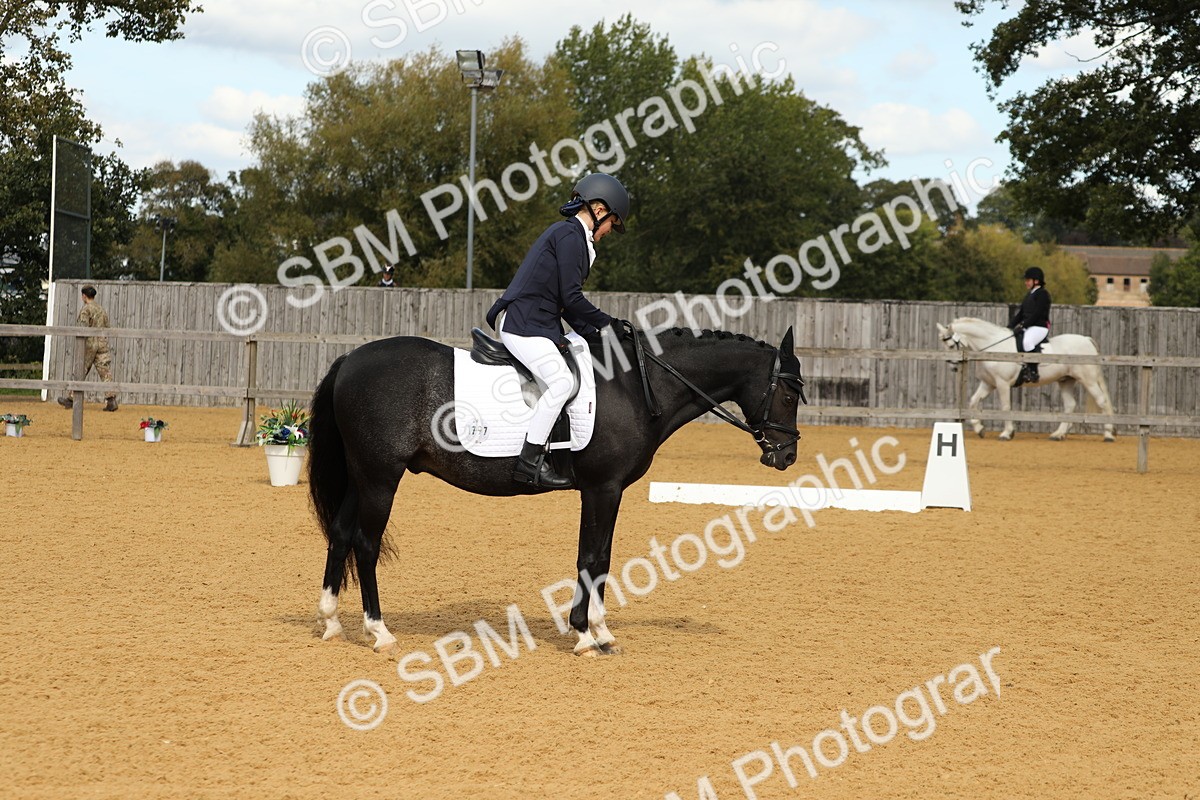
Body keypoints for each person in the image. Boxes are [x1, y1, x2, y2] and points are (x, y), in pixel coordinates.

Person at [485, 173, 629, 489]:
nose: (608, 233)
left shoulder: (575, 238)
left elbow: (567, 306)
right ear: (600, 210)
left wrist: (598, 334)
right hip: (523, 325)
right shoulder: (569, 236)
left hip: (540, 323)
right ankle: (529, 461)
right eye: (611, 225)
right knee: (562, 382)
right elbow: (571, 298)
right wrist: (607, 323)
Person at [58, 285, 118, 411]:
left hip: (90, 344)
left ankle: (71, 398)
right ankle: (111, 400)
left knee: (81, 369)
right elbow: (107, 327)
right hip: (102, 343)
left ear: (84, 296)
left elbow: (82, 328)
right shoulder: (101, 309)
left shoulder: (86, 310)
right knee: (105, 371)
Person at [1009, 266, 1052, 386]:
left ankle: (1033, 371)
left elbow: (1037, 313)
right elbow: (1021, 314)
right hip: (1029, 326)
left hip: (1040, 327)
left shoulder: (1043, 294)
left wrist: (1023, 325)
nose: (1026, 283)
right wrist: (1009, 326)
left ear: (1036, 281)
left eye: (1028, 280)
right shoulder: (1029, 295)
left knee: (1027, 342)